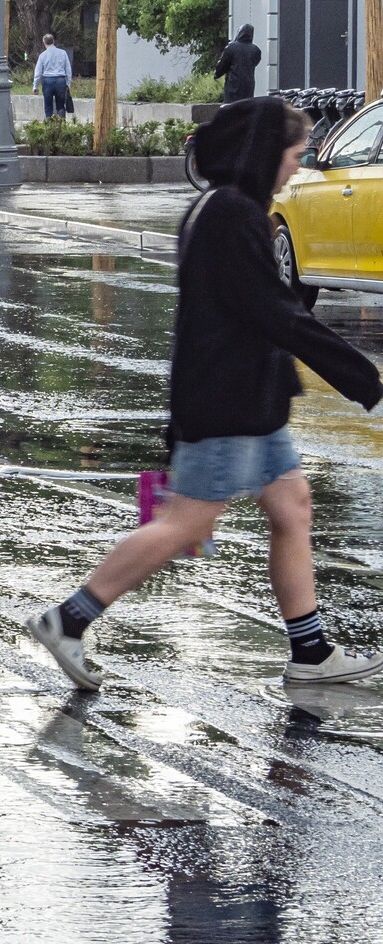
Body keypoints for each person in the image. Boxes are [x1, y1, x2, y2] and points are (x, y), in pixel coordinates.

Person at [27, 97, 383, 692]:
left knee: (292, 507)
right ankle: (68, 619)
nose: (298, 166)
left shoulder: (223, 207)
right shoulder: (231, 216)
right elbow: (275, 314)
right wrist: (364, 377)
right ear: (264, 154)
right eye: (294, 155)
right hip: (228, 403)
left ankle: (312, 652)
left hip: (248, 400)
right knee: (186, 524)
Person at [214, 24, 262, 102]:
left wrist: (217, 74)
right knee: (246, 108)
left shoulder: (231, 48)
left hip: (233, 85)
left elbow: (222, 65)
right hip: (248, 85)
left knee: (231, 108)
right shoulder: (256, 50)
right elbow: (256, 62)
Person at [32, 34, 74, 119]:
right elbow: (68, 69)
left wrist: (35, 86)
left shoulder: (42, 55)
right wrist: (68, 83)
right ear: (53, 41)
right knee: (61, 105)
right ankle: (61, 124)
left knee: (48, 105)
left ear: (44, 43)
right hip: (60, 80)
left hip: (48, 81)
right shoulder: (63, 53)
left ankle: (49, 124)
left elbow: (38, 72)